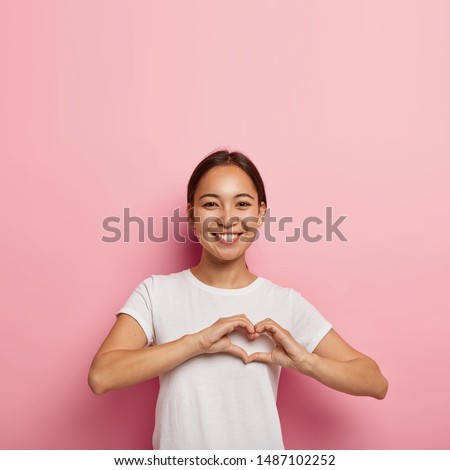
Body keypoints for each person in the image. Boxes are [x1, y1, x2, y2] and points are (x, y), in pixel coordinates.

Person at [88, 149, 388, 450]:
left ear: (260, 213)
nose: (228, 219)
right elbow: (102, 376)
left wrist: (306, 362)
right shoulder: (156, 293)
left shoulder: (285, 302)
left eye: (242, 204)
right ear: (192, 214)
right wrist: (196, 343)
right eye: (211, 204)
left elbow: (374, 382)